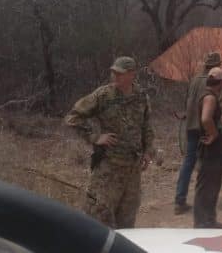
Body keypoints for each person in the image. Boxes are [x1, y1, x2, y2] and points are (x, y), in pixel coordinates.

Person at [65, 56, 155, 228]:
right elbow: (72, 118)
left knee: (127, 222)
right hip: (108, 169)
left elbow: (147, 126)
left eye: (120, 74)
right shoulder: (103, 95)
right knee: (98, 218)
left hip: (132, 170)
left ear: (132, 74)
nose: (115, 77)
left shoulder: (141, 97)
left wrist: (148, 150)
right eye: (113, 73)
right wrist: (95, 137)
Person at [174, 52, 222, 215]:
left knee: (189, 162)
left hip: (191, 125)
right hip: (205, 127)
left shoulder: (194, 80)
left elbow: (189, 102)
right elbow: (217, 109)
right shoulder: (212, 83)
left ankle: (179, 200)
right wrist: (216, 130)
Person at [194, 67, 222, 228]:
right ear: (220, 83)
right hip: (211, 149)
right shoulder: (210, 98)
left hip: (214, 150)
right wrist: (214, 134)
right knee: (207, 186)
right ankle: (203, 222)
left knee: (212, 185)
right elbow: (206, 119)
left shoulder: (210, 95)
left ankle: (208, 220)